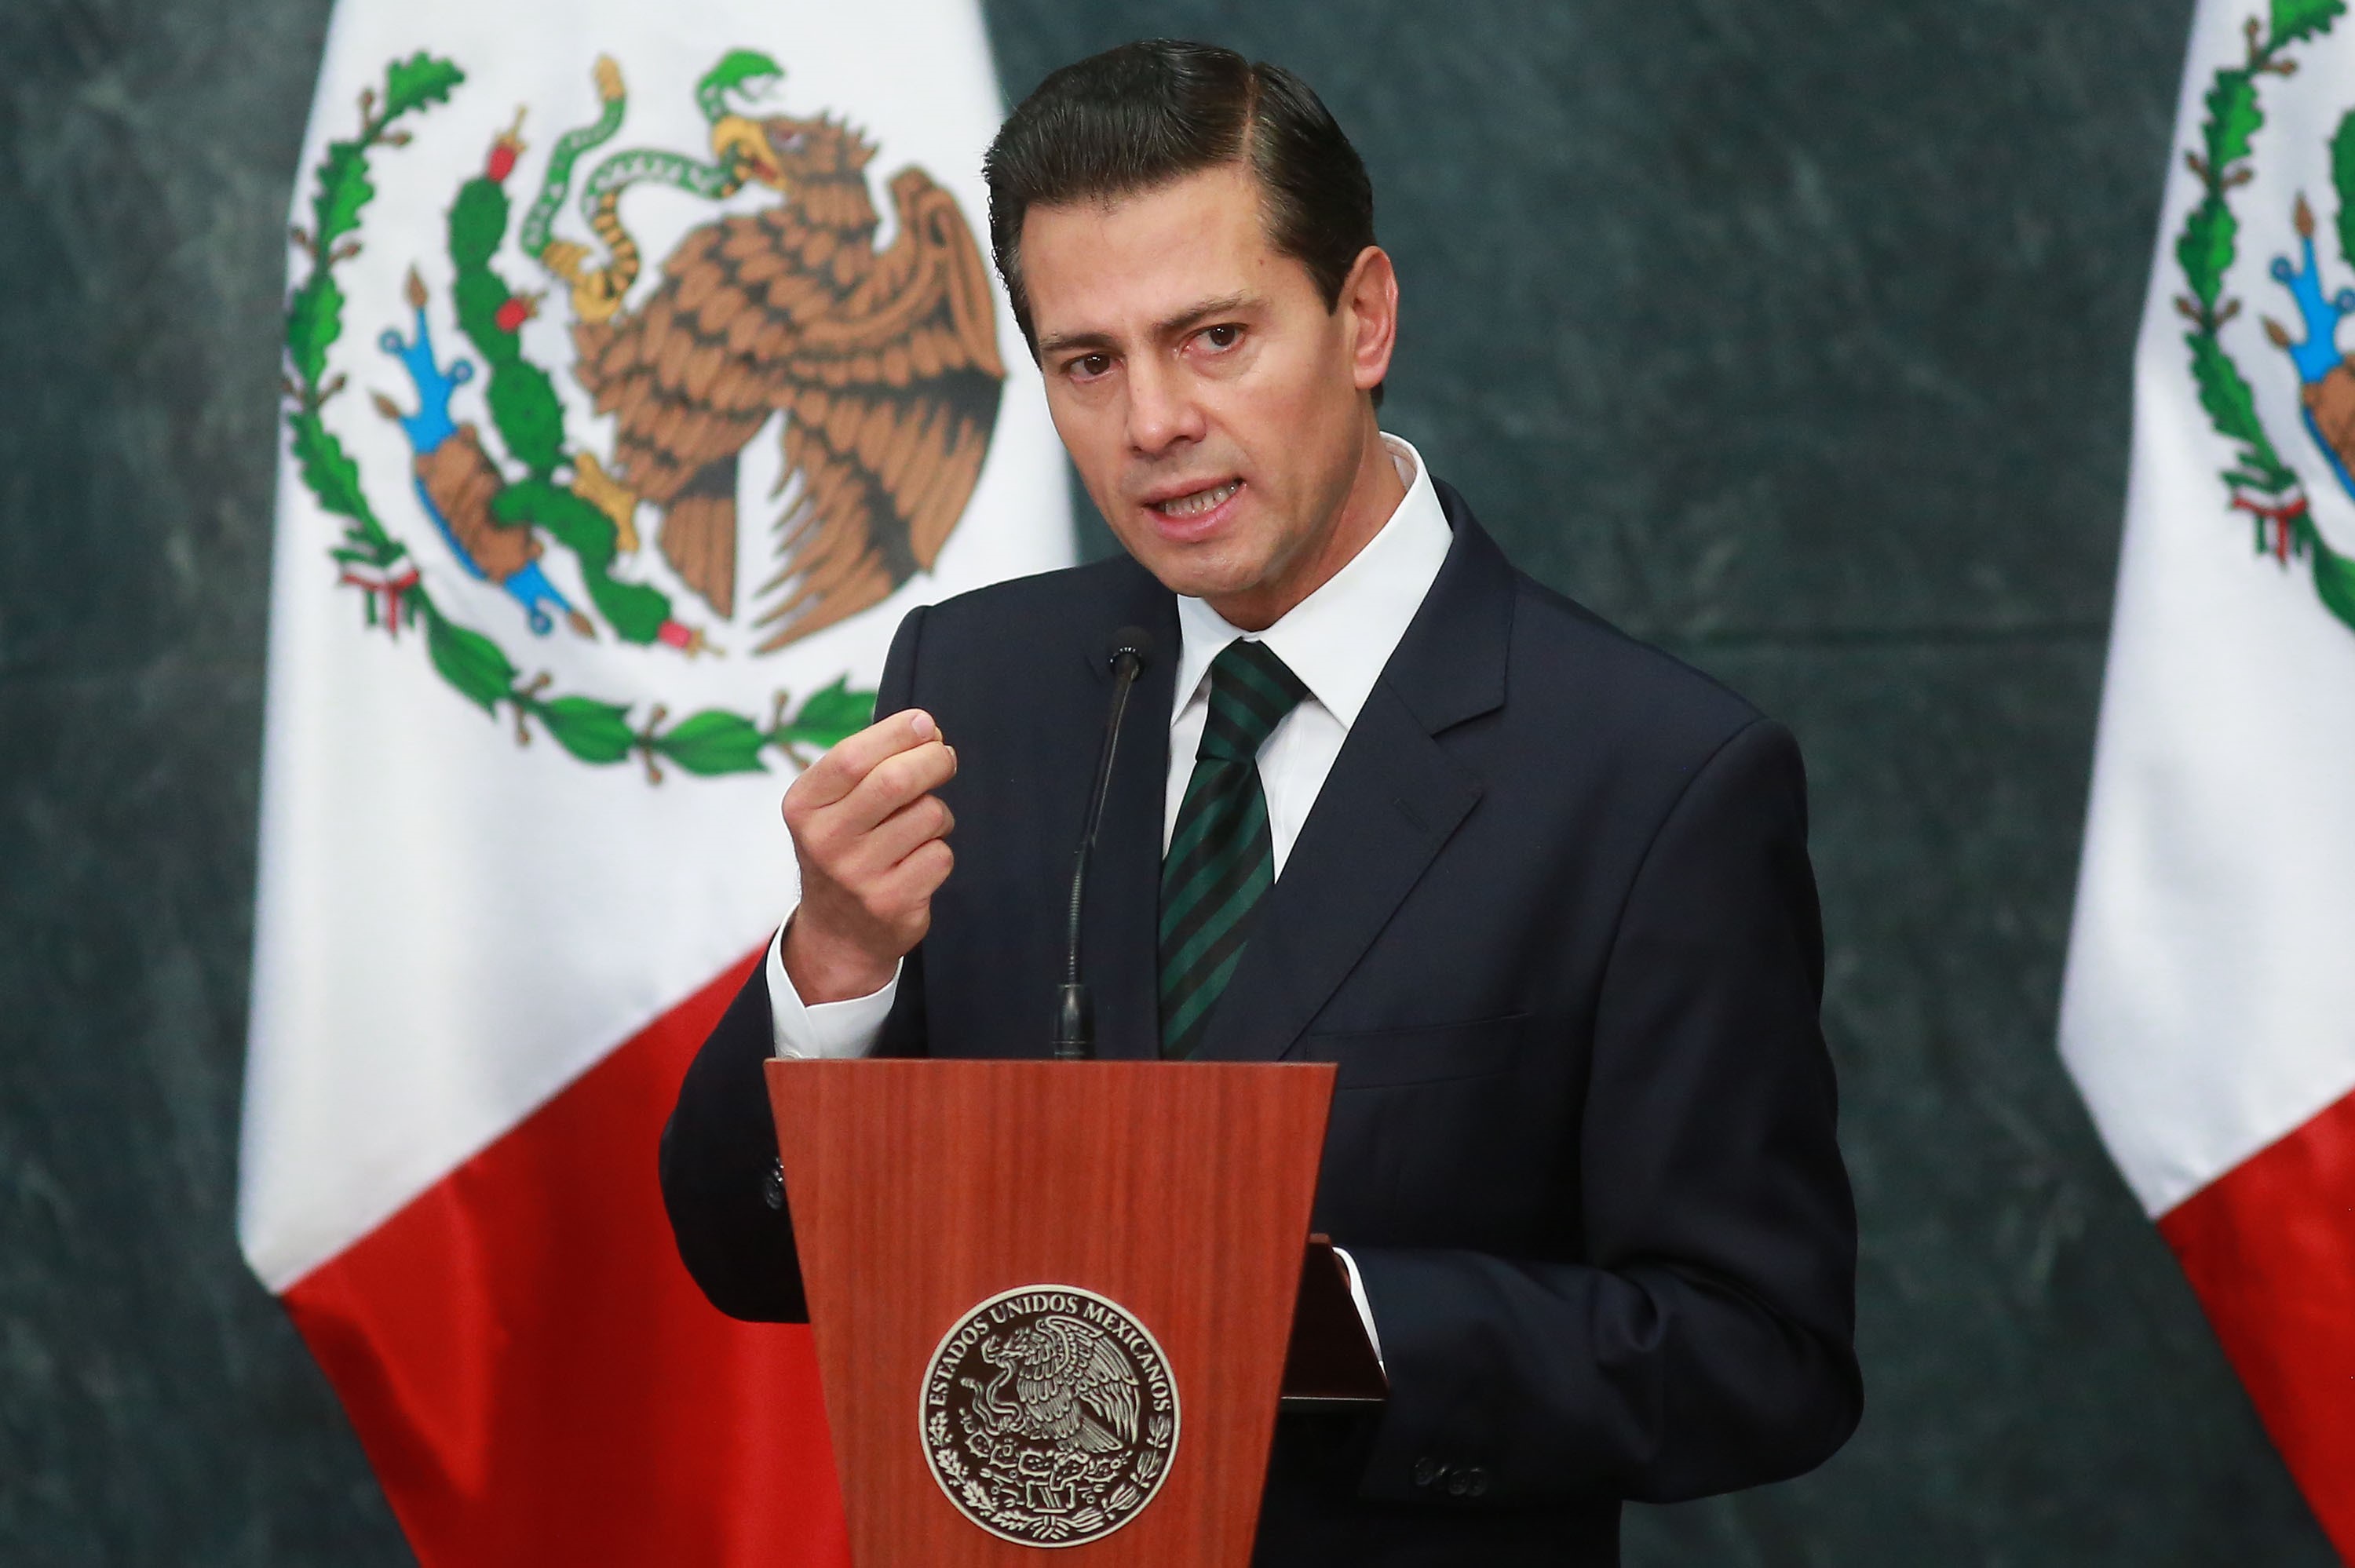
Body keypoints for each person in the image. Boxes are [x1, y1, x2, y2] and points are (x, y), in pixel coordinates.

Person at [660, 38, 1860, 1564]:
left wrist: (1338, 1325)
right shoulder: (979, 680)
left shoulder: (1650, 776)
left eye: (1214, 336)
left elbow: (1763, 1357)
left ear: (1362, 317)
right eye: (1089, 363)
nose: (1152, 420)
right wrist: (833, 970)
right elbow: (751, 1256)